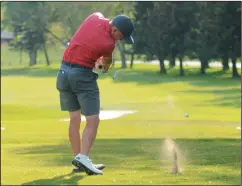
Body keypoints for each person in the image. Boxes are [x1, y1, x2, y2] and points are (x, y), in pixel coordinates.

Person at [56, 12, 134, 175]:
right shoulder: (109, 44)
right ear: (114, 30)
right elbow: (105, 66)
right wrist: (103, 67)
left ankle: (78, 160)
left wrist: (95, 60)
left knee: (75, 119)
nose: (120, 40)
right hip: (81, 76)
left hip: (63, 72)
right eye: (121, 36)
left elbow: (89, 41)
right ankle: (83, 157)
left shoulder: (94, 16)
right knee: (93, 119)